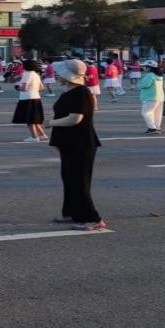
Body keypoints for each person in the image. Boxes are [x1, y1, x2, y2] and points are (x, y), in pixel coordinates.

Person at [48, 59, 106, 231]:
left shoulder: (81, 92)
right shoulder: (69, 91)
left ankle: (92, 218)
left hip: (80, 142)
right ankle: (71, 212)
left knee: (79, 180)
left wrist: (51, 123)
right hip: (69, 141)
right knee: (69, 178)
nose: (57, 76)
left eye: (60, 74)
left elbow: (75, 118)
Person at [12, 59, 46, 142]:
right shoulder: (36, 74)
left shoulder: (26, 74)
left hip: (27, 98)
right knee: (35, 119)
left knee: (29, 119)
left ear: (26, 66)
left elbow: (24, 88)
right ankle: (42, 135)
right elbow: (42, 87)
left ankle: (34, 137)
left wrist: (17, 87)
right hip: (36, 98)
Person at [138, 59, 164, 134]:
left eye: (146, 67)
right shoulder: (159, 75)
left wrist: (139, 84)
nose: (144, 68)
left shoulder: (150, 75)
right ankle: (157, 127)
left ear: (150, 67)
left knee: (146, 112)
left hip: (150, 97)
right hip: (160, 97)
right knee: (157, 113)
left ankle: (152, 128)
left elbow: (145, 85)